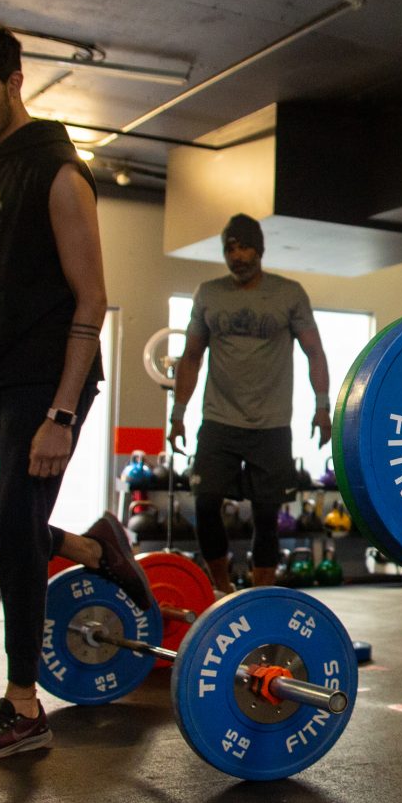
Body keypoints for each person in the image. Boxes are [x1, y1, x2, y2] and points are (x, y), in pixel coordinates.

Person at [0, 23, 157, 764]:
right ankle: (87, 546)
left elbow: (92, 299)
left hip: (43, 383)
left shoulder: (60, 173)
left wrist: (61, 415)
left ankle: (22, 707)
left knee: (17, 526)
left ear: (16, 82)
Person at [167, 214, 332, 592]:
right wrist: (178, 414)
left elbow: (315, 352)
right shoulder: (208, 294)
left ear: (259, 249)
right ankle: (222, 589)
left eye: (244, 247)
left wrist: (322, 407)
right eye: (230, 248)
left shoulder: (289, 293)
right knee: (205, 502)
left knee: (266, 514)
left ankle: (261, 596)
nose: (237, 256)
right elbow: (190, 357)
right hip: (219, 419)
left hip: (271, 423)